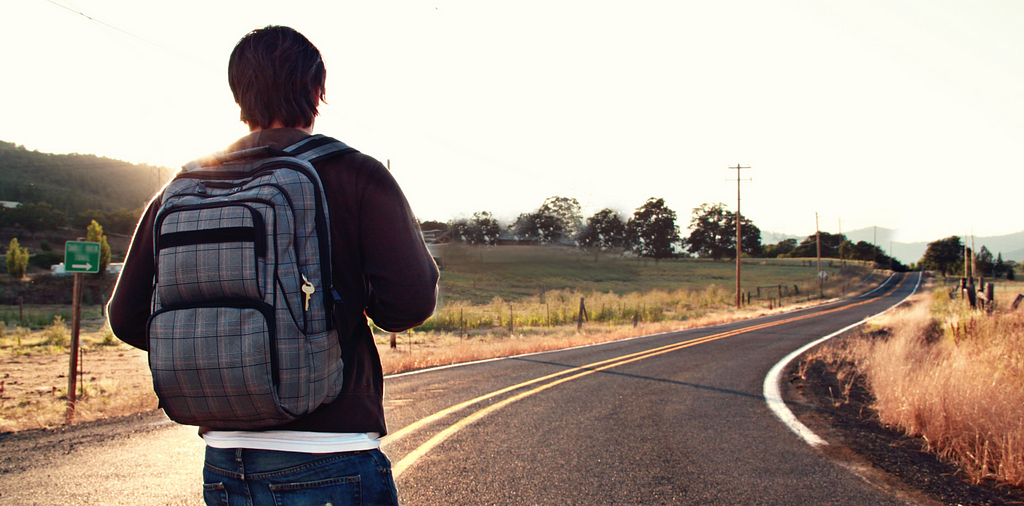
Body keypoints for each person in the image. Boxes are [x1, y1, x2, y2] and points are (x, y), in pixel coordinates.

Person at [108, 25, 439, 506]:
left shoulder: (186, 184)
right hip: (333, 449)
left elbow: (126, 316)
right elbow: (409, 303)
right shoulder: (355, 173)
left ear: (237, 95)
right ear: (317, 90)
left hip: (224, 458)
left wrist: (226, 349)